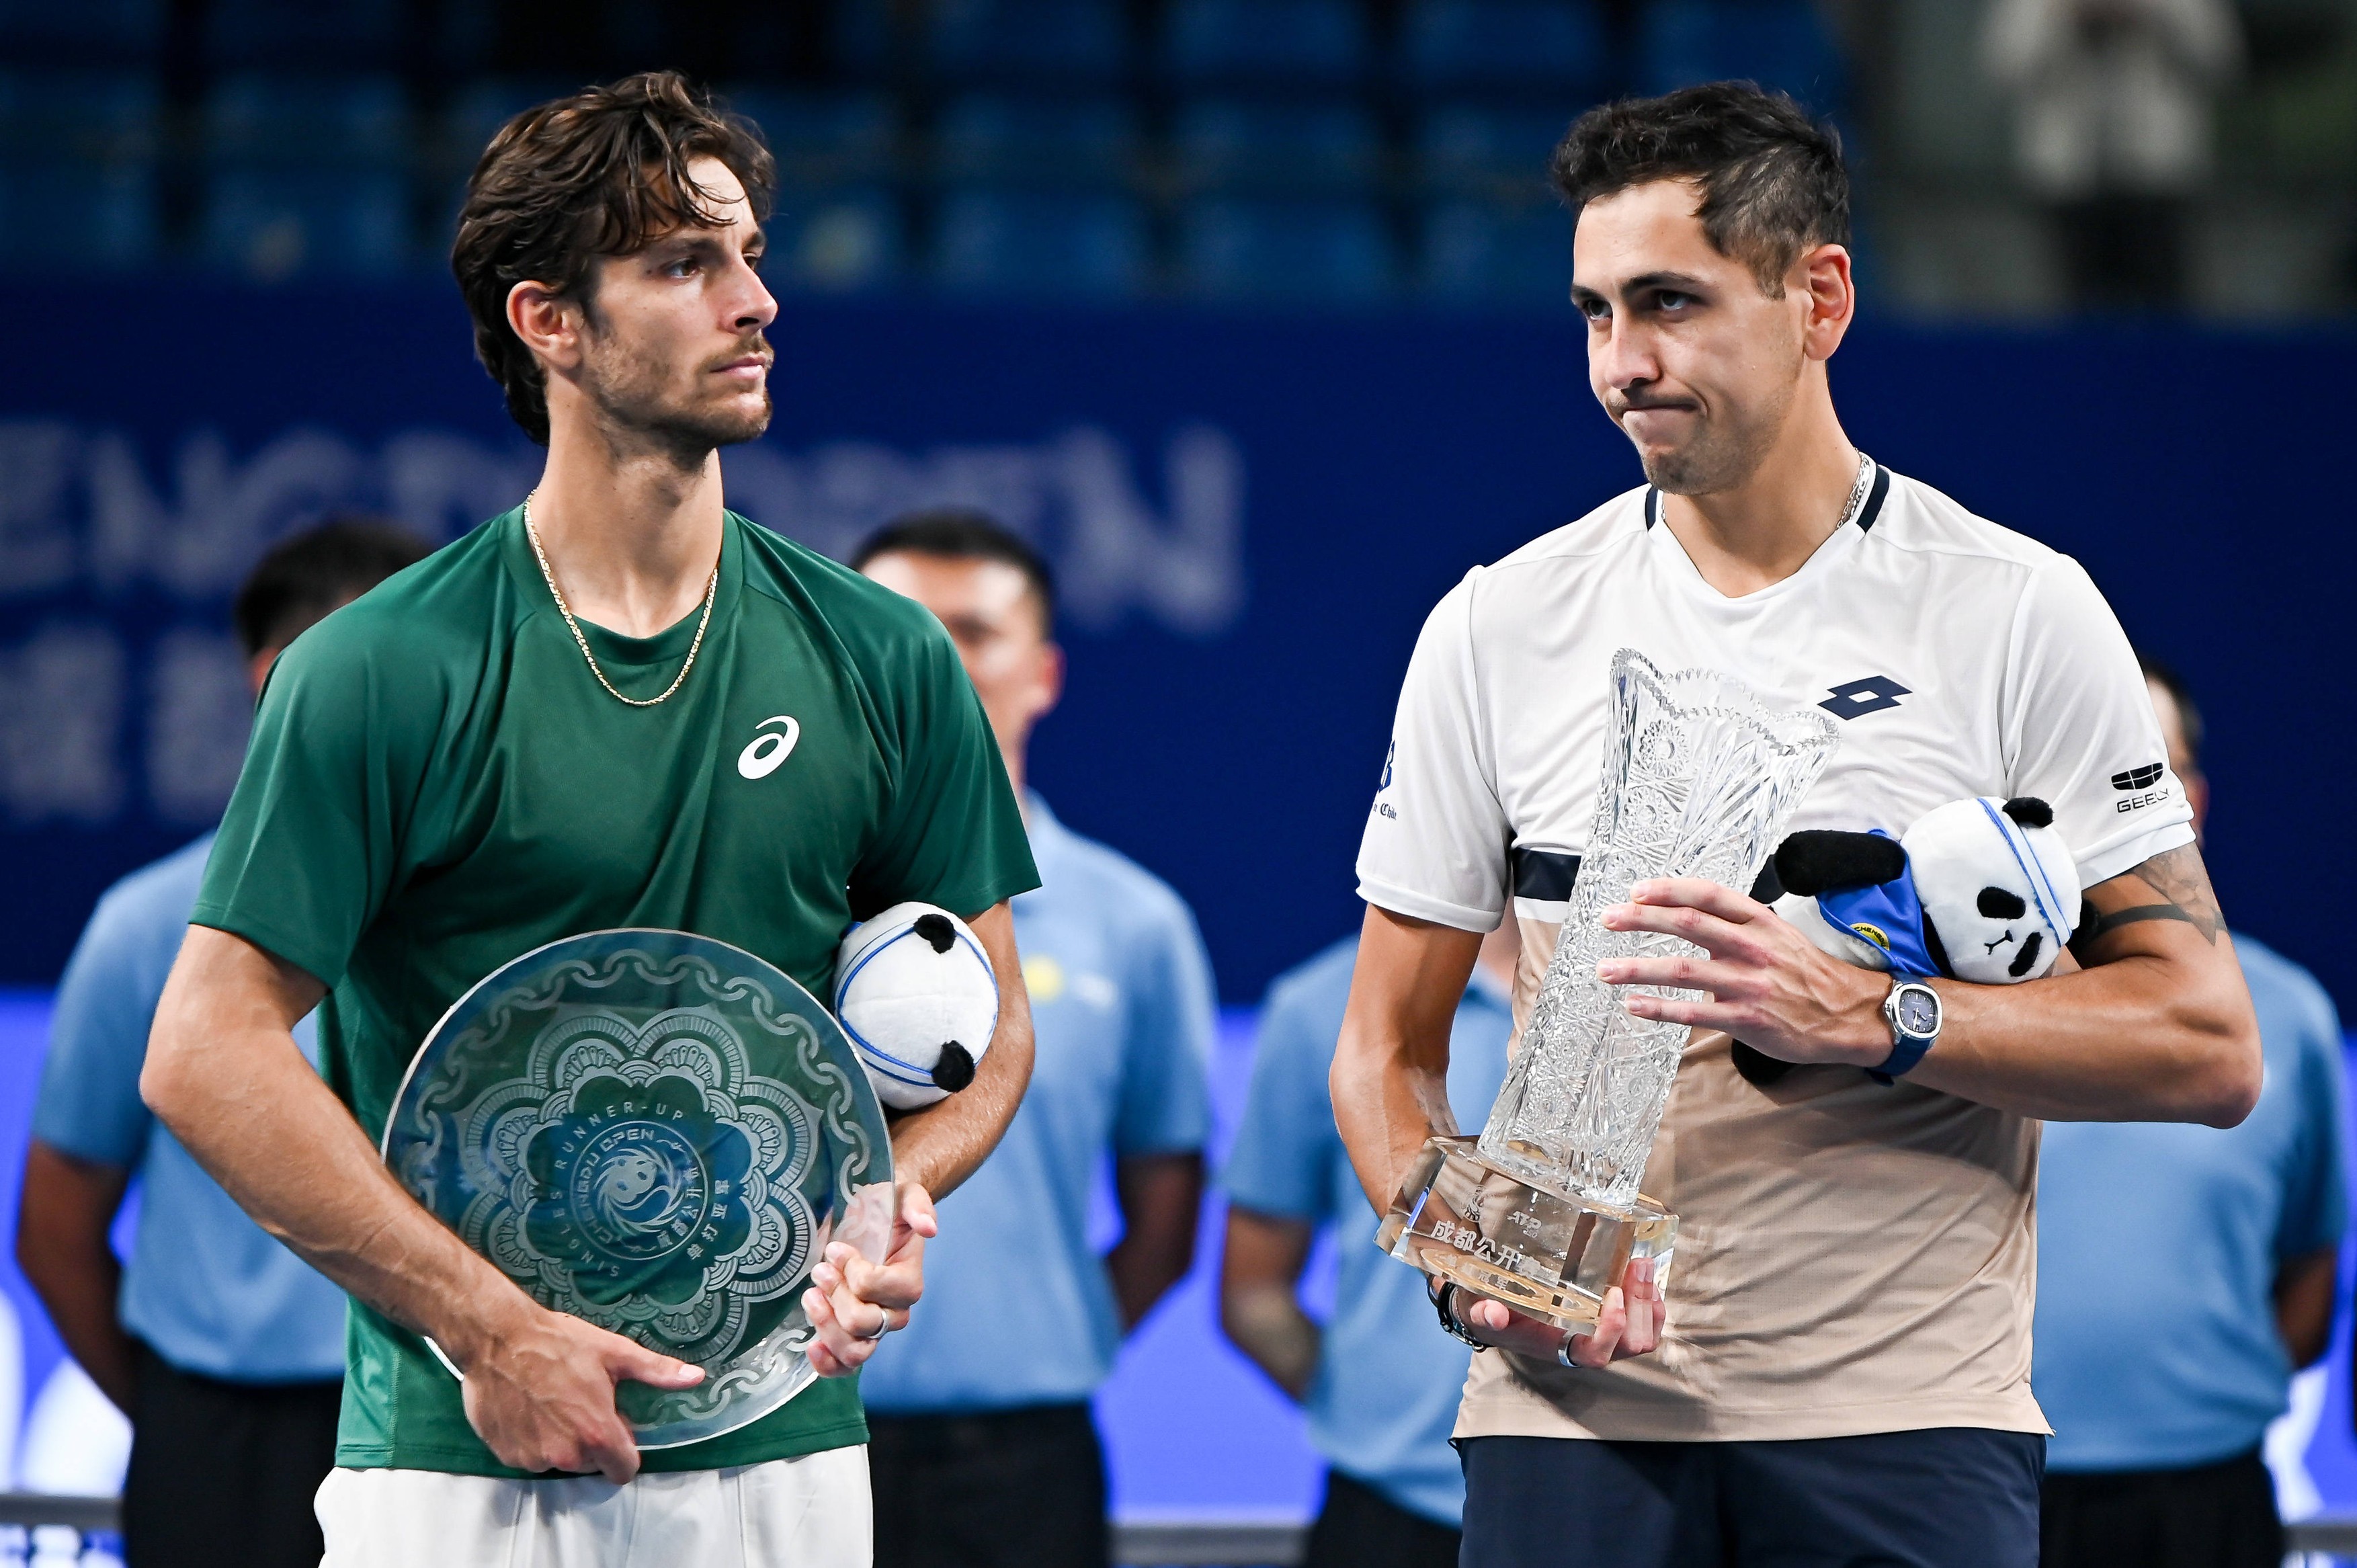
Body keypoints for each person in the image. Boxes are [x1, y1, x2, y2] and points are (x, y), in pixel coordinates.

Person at [1333, 82, 2261, 1568]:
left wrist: (1873, 1009)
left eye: (1669, 304)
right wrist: (1476, 1256)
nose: (1620, 366)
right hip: (1563, 1421)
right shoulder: (1494, 624)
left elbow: (2206, 1039)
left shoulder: (2018, 609)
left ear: (1815, 295)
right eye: (1590, 313)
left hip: (1903, 1425)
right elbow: (1384, 1048)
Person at [138, 73, 1040, 1567]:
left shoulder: (884, 657)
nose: (753, 302)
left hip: (789, 1455)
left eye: (749, 255)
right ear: (548, 319)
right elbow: (208, 1049)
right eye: (685, 264)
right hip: (460, 1458)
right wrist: (488, 1328)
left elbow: (995, 1022)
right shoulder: (378, 670)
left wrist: (897, 1189)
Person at [15, 519, 428, 1568]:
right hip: (219, 1444)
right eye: (394, 669)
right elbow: (56, 1227)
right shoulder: (147, 925)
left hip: (439, 1419)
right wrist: (178, 1420)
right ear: (277, 683)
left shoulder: (489, 924)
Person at [850, 509, 1216, 1568]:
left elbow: (1165, 1212)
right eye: (901, 626)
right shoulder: (770, 903)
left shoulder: (1134, 923)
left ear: (1043, 673)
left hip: (1026, 1463)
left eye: (970, 630)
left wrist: (1051, 1337)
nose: (932, 658)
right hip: (787, 1430)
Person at [2033, 658, 2348, 1568]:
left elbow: (2307, 1275)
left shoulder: (2284, 1014)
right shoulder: (1939, 1013)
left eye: (2138, 776)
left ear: (2189, 806)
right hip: (1980, 1484)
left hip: (2208, 1505)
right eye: (2071, 773)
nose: (2100, 808)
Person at [1221, 918, 1518, 1568]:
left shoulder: (1699, 1003)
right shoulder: (1320, 1005)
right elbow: (1253, 1286)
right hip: (1390, 1513)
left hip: (1640, 1495)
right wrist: (1368, 1414)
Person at [1985, 0, 2241, 311]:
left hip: (2160, 177)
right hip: (2067, 178)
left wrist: (2153, 14)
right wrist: (2066, 19)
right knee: (2072, 311)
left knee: (2163, 311)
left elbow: (2222, 62)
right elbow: (2005, 68)